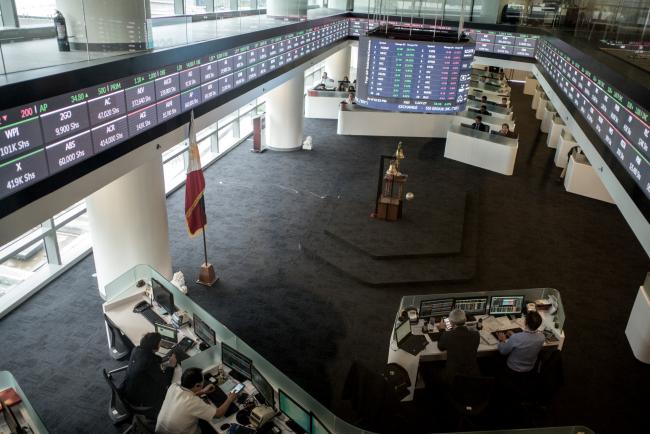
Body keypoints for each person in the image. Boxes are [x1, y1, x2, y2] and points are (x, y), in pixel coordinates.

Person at [156, 368, 238, 434]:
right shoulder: (193, 402)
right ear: (197, 385)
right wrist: (230, 398)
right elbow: (218, 414)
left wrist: (202, 392)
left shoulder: (173, 386)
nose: (203, 384)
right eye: (202, 383)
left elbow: (183, 397)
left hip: (161, 429)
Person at [122, 332, 176, 417]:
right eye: (159, 342)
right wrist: (171, 366)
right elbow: (165, 382)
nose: (160, 344)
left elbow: (149, 364)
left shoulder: (136, 349)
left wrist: (162, 363)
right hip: (140, 399)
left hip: (127, 390)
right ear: (155, 347)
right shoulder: (151, 361)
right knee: (173, 388)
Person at [437, 309, 480, 384]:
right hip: (472, 376)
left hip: (453, 377)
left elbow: (441, 347)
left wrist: (441, 330)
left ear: (451, 322)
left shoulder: (448, 335)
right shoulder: (476, 334)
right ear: (465, 319)